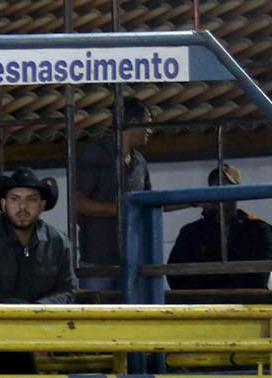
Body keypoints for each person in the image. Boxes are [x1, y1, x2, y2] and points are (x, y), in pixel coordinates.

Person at [0, 166, 75, 374]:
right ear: (3, 203)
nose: (23, 206)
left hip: (36, 338)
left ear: (42, 204)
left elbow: (68, 291)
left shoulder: (58, 242)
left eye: (31, 199)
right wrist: (20, 308)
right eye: (15, 199)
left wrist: (38, 309)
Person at [74, 96, 152, 291]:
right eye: (148, 125)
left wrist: (193, 201)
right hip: (98, 261)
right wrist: (122, 209)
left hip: (133, 258)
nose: (151, 131)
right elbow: (78, 202)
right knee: (94, 318)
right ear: (133, 123)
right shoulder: (94, 154)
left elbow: (150, 201)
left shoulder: (139, 161)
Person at [166, 164, 272, 294]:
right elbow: (175, 278)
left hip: (246, 306)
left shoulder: (258, 229)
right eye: (214, 187)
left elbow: (257, 280)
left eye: (224, 186)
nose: (218, 192)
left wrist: (206, 282)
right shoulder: (191, 232)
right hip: (201, 306)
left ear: (239, 191)